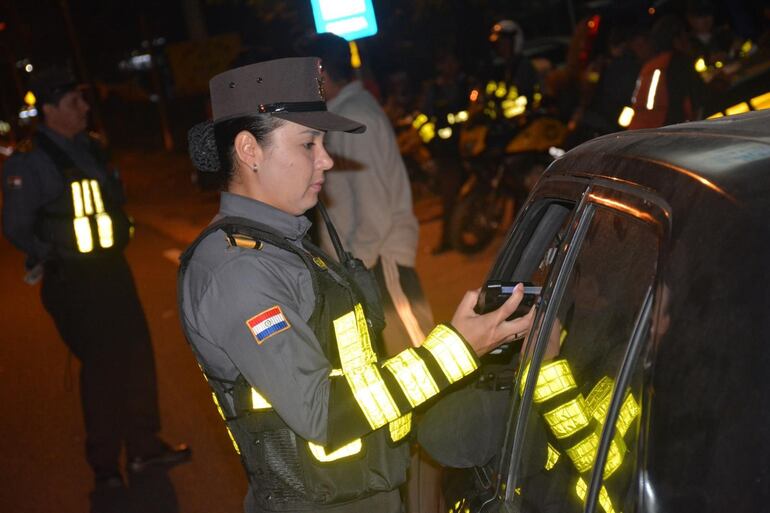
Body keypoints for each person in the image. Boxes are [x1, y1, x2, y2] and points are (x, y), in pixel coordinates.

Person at [180, 56, 535, 513]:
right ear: (249, 150)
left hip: (359, 490)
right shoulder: (240, 271)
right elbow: (322, 414)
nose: (326, 159)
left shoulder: (284, 243)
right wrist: (454, 351)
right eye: (309, 143)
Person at [1, 65, 190, 489]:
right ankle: (105, 467)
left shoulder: (89, 147)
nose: (85, 107)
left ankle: (143, 447)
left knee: (136, 355)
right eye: (74, 102)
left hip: (110, 269)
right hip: (74, 279)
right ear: (50, 109)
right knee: (104, 368)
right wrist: (53, 256)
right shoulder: (30, 161)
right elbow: (15, 225)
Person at [297, 33, 432, 358]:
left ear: (320, 73)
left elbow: (375, 212)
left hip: (381, 265)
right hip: (369, 266)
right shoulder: (342, 117)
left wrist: (353, 272)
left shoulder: (354, 120)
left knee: (422, 361)